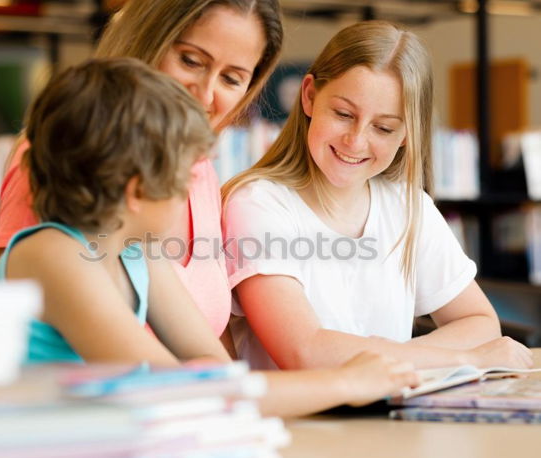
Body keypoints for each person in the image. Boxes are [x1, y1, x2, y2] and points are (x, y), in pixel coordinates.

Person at [0, 57, 419, 418]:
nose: (190, 194)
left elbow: (216, 372)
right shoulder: (52, 254)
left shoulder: (136, 253)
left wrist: (350, 381)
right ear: (137, 189)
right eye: (184, 178)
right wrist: (344, 383)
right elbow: (177, 387)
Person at [222, 20, 534, 371]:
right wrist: (460, 358)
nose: (355, 141)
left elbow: (479, 321)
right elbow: (304, 352)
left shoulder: (407, 206)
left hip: (389, 419)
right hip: (300, 421)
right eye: (343, 114)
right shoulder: (256, 204)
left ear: (405, 134)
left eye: (383, 127)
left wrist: (400, 358)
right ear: (309, 96)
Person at [0, 0, 283, 342]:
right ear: (148, 40)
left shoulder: (201, 172)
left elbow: (211, 350)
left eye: (231, 79)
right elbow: (9, 327)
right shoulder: (63, 154)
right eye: (190, 60)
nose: (203, 94)